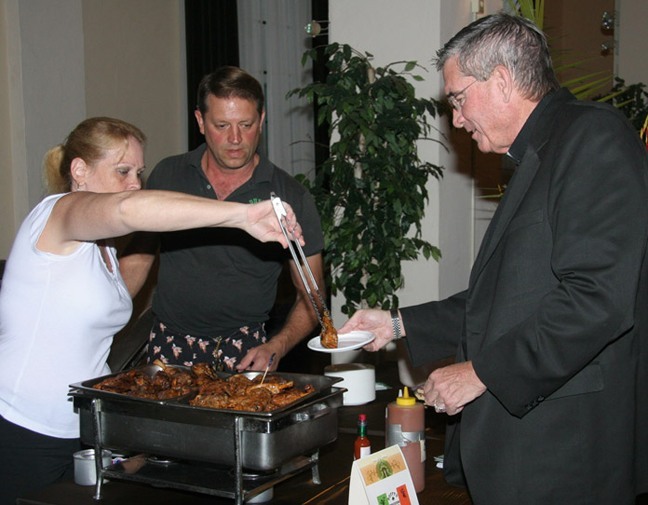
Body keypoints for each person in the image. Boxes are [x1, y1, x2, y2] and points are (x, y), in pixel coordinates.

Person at [339, 12, 648, 505]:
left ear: (502, 81)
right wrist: (394, 324)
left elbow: (597, 299)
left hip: (565, 456)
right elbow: (503, 298)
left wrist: (481, 372)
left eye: (459, 99)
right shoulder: (540, 152)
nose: (456, 119)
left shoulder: (593, 139)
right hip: (526, 450)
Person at [0, 116, 303, 504]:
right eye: (123, 170)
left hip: (86, 428)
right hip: (26, 426)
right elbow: (129, 208)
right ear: (79, 170)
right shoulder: (59, 213)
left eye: (139, 173)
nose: (135, 183)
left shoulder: (106, 248)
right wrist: (242, 216)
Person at [121, 66, 325, 373]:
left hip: (245, 350)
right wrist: (103, 319)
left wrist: (277, 345)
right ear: (201, 122)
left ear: (262, 121)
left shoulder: (290, 197)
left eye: (246, 124)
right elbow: (138, 259)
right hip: (168, 342)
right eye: (221, 125)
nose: (235, 138)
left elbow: (313, 296)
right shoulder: (168, 175)